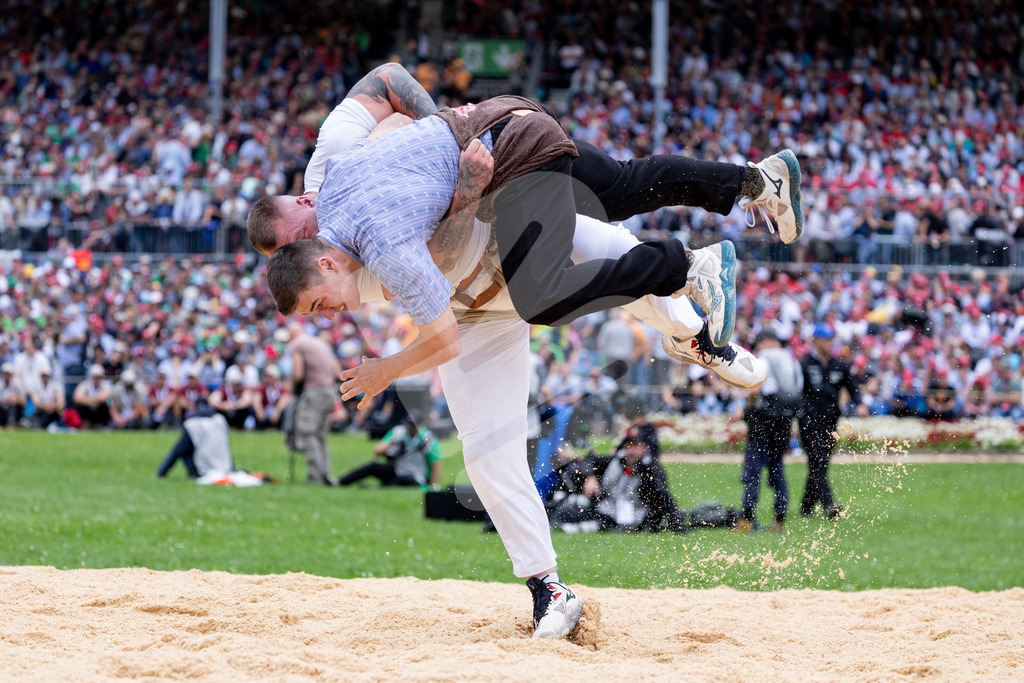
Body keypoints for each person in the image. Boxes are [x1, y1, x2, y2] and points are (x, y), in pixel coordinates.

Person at [252, 76, 777, 639]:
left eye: (298, 241)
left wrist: (447, 133)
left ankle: (695, 325)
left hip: (511, 239)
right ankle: (547, 587)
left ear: (307, 206)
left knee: (610, 250)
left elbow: (388, 78)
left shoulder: (344, 187)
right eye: (285, 254)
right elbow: (438, 289)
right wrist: (458, 176)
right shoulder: (344, 246)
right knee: (484, 449)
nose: (303, 246)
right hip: (471, 311)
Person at [735, 329, 803, 533]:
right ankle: (779, 519)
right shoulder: (792, 359)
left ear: (765, 341)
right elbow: (798, 390)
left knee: (753, 472)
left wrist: (747, 408)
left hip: (764, 420)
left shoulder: (764, 357)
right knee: (777, 470)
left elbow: (755, 388)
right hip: (784, 421)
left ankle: (747, 519)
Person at [552, 436, 688, 534]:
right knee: (566, 511)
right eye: (628, 446)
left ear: (645, 448)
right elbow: (588, 461)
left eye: (635, 446)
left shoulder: (652, 469)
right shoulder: (615, 461)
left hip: (638, 517)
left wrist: (677, 525)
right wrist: (590, 477)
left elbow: (663, 496)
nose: (631, 451)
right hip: (606, 511)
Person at [797, 323, 860, 519]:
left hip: (831, 422)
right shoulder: (805, 364)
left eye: (832, 339)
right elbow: (797, 393)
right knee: (818, 462)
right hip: (809, 422)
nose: (830, 343)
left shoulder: (839, 365)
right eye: (826, 339)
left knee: (820, 465)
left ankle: (806, 507)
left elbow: (852, 387)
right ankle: (829, 504)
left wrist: (860, 404)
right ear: (816, 340)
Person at [288, 322, 341, 485]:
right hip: (329, 391)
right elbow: (337, 371)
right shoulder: (321, 343)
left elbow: (298, 374)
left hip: (313, 392)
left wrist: (293, 386)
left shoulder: (297, 345)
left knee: (307, 433)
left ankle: (315, 476)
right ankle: (325, 473)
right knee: (320, 435)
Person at [338, 414, 441, 488]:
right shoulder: (398, 432)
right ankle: (340, 482)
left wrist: (431, 485)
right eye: (409, 427)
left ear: (422, 426)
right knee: (373, 466)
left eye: (414, 427)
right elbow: (377, 452)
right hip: (398, 469)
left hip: (415, 476)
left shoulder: (428, 439)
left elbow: (435, 465)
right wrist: (393, 443)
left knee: (405, 480)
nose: (411, 430)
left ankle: (376, 488)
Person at [155, 400, 234, 479]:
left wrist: (161, 472)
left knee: (185, 448)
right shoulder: (220, 420)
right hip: (225, 466)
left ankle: (192, 474)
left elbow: (178, 450)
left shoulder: (192, 423)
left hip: (203, 469)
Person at [72, 364, 112, 429]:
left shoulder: (105, 385)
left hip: (99, 410)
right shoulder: (85, 384)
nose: (97, 379)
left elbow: (106, 397)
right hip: (87, 409)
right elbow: (77, 398)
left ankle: (101, 424)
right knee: (78, 405)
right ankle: (85, 423)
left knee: (108, 403)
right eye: (95, 377)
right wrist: (95, 400)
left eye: (99, 377)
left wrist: (87, 399)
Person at [30, 362, 64, 429]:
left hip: (54, 412)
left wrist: (53, 406)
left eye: (46, 376)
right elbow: (36, 402)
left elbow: (61, 402)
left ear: (49, 376)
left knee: (60, 412)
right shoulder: (36, 386)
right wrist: (46, 406)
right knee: (35, 425)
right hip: (41, 412)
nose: (45, 378)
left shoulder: (56, 386)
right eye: (43, 376)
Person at [0, 362, 27, 430]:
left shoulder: (16, 385)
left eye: (8, 373)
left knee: (12, 405)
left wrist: (16, 400)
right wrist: (6, 400)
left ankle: (11, 424)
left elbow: (24, 403)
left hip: (13, 411)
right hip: (2, 410)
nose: (7, 375)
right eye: (5, 373)